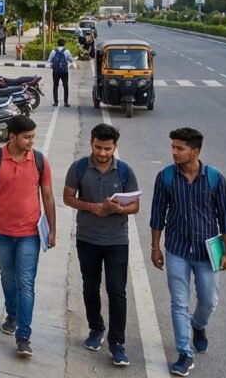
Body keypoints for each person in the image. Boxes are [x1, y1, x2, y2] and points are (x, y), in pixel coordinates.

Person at [150, 127, 226, 377]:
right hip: (176, 249)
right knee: (179, 302)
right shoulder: (165, 177)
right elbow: (157, 216)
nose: (174, 152)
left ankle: (198, 325)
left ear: (194, 151)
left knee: (209, 300)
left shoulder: (215, 178)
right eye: (173, 147)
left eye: (180, 148)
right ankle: (184, 353)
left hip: (208, 251)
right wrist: (155, 247)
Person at [0, 114, 55, 358]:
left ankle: (24, 336)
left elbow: (48, 196)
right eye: (27, 137)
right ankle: (12, 313)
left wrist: (53, 229)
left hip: (30, 234)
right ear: (12, 137)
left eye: (33, 136)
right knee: (7, 277)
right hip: (1, 232)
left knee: (26, 283)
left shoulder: (40, 161)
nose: (32, 141)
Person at [63, 123, 139, 367]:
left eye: (107, 148)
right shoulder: (79, 167)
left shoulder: (125, 171)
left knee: (117, 291)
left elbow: (135, 206)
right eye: (98, 147)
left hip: (117, 240)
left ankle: (117, 343)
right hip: (87, 239)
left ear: (115, 146)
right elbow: (67, 197)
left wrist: (120, 209)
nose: (103, 153)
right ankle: (96, 329)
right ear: (91, 143)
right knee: (90, 287)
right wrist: (91, 207)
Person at [49, 38, 73, 107]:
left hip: (56, 71)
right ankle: (66, 102)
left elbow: (50, 60)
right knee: (65, 86)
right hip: (64, 71)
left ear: (57, 44)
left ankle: (55, 102)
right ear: (64, 44)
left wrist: (52, 66)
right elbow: (71, 60)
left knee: (55, 86)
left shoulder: (53, 51)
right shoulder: (66, 51)